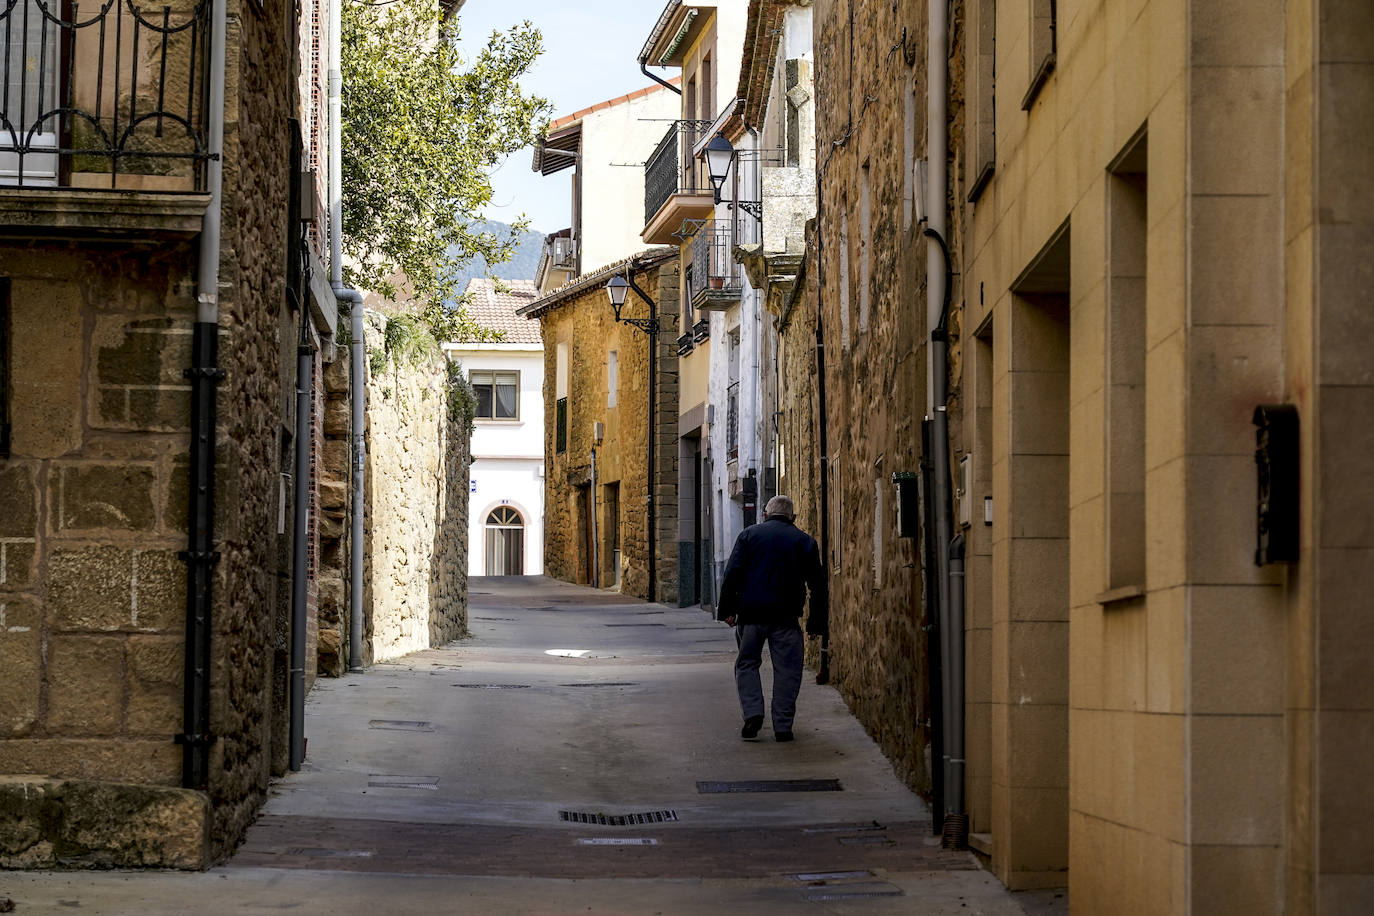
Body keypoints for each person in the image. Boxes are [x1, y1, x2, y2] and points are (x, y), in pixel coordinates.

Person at [716, 494, 828, 742]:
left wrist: (727, 610)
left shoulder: (748, 536)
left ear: (765, 514)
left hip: (751, 615)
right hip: (786, 617)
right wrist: (815, 623)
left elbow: (732, 574)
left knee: (747, 664)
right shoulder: (804, 541)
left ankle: (753, 713)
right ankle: (783, 726)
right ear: (793, 517)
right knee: (788, 670)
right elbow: (818, 586)